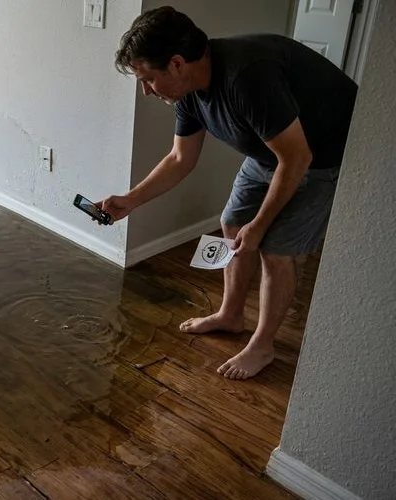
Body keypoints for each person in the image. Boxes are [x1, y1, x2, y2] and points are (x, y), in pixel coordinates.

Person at [98, 6, 357, 379]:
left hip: (320, 156)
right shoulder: (187, 92)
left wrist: (262, 224)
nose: (146, 90)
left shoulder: (247, 77)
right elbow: (179, 158)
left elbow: (297, 157)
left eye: (148, 79)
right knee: (233, 223)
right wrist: (130, 200)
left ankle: (263, 345)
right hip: (271, 152)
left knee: (275, 248)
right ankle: (231, 316)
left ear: (176, 64)